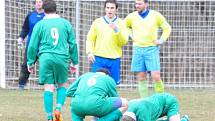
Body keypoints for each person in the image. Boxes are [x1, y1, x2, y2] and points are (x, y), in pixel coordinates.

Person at [27, 0, 78, 121]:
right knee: (63, 84)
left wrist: (30, 61)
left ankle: (49, 117)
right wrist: (74, 61)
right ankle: (58, 109)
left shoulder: (40, 24)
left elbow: (33, 45)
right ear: (56, 9)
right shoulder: (65, 23)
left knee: (48, 87)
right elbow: (73, 44)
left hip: (46, 58)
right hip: (61, 57)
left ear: (44, 10)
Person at [124, 0, 172, 97]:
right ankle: (144, 102)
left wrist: (161, 40)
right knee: (141, 77)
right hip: (137, 49)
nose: (137, 6)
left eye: (140, 4)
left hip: (151, 49)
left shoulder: (155, 15)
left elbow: (167, 28)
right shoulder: (131, 16)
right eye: (136, 3)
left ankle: (161, 100)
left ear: (146, 4)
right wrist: (131, 35)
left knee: (156, 76)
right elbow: (124, 26)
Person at [86, 0, 129, 85]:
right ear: (105, 9)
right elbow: (90, 38)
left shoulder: (121, 23)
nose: (109, 10)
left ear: (116, 9)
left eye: (112, 8)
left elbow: (123, 42)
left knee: (112, 85)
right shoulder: (97, 22)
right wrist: (89, 52)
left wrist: (116, 30)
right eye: (108, 8)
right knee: (96, 84)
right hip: (99, 59)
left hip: (114, 59)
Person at [17, 0, 45, 89]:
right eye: (36, 2)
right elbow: (25, 29)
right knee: (26, 65)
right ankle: (21, 85)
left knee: (47, 65)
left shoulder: (47, 16)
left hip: (44, 46)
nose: (38, 3)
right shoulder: (30, 15)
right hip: (31, 46)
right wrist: (21, 38)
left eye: (40, 1)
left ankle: (52, 85)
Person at [121, 93, 189, 121]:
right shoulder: (123, 111)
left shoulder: (142, 113)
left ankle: (184, 119)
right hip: (156, 101)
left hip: (169, 102)